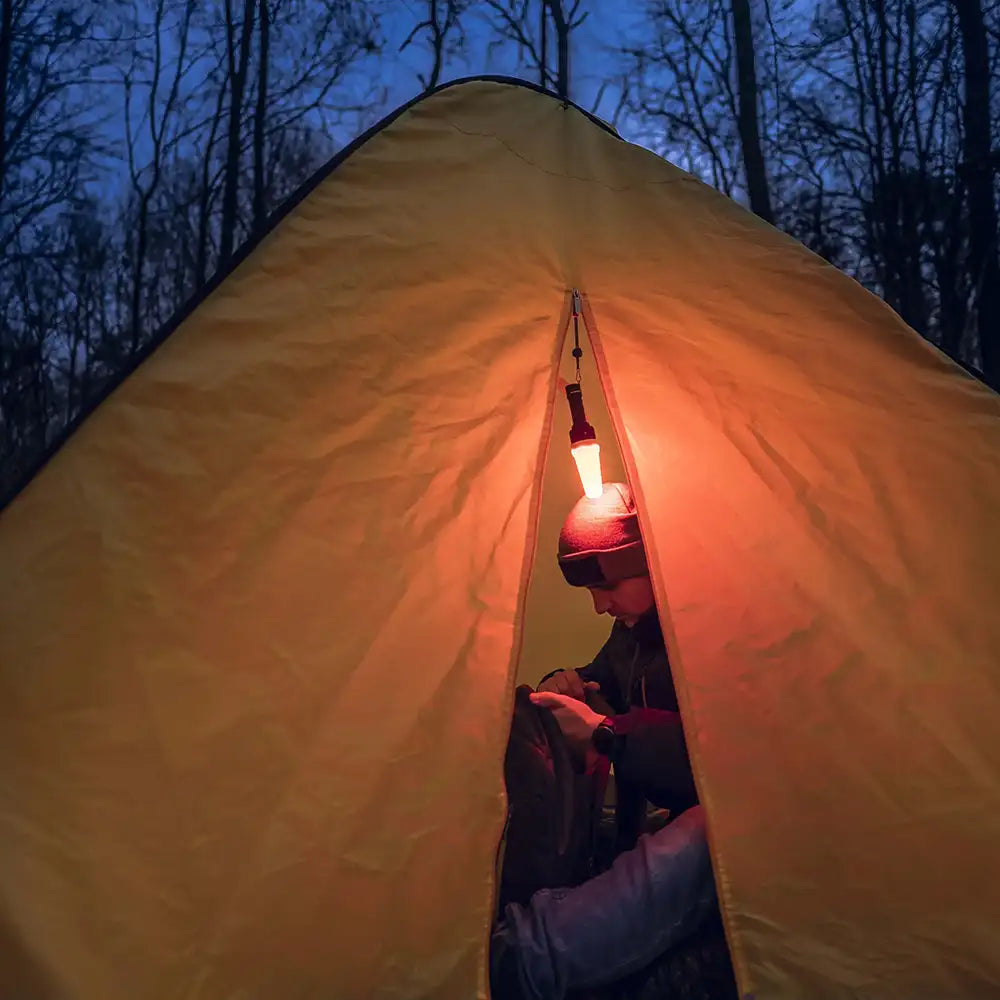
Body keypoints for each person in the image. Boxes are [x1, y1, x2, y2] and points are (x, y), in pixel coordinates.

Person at [490, 483, 724, 1000]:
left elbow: (723, 760)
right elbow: (605, 677)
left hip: (733, 824)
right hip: (675, 814)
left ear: (656, 559)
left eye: (609, 586)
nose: (600, 605)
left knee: (713, 832)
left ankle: (524, 958)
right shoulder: (636, 632)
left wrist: (605, 732)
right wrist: (568, 683)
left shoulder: (715, 628)